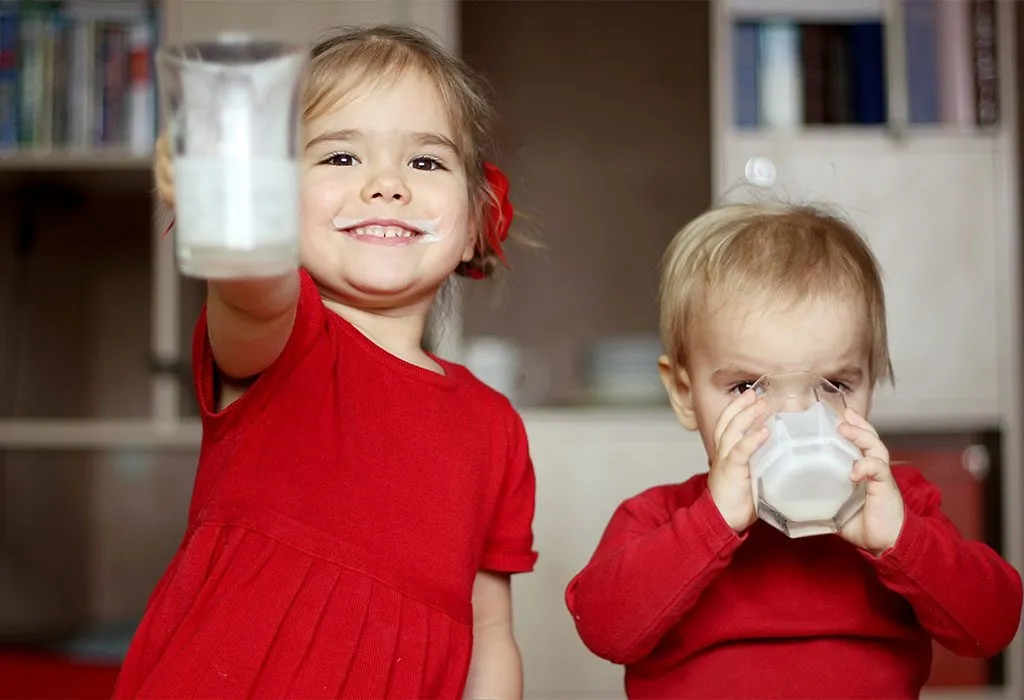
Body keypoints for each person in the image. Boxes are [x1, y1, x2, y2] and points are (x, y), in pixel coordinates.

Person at [114, 24, 537, 699]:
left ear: (474, 226)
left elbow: (490, 633)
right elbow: (252, 290)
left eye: (425, 162)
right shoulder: (284, 340)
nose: (386, 185)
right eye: (340, 158)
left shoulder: (497, 428)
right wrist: (229, 209)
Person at [564, 202, 1023, 699]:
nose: (796, 419)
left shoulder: (898, 508)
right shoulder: (659, 517)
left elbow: (992, 627)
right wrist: (709, 525)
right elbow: (605, 630)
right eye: (745, 387)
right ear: (683, 393)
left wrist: (900, 540)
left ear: (870, 380)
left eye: (835, 384)